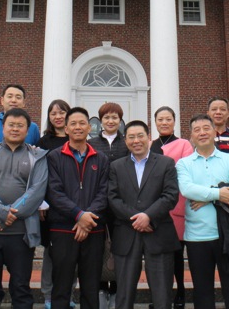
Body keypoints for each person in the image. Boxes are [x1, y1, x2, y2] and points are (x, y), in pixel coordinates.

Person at [0, 108, 48, 309]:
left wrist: (9, 215)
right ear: (3, 127)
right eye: (11, 125)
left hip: (22, 235)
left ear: (27, 129)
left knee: (21, 290)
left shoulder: (37, 156)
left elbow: (37, 191)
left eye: (20, 125)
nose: (15, 129)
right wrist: (1, 212)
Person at [176, 114, 229, 309]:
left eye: (206, 128)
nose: (202, 133)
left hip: (228, 235)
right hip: (197, 236)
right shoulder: (183, 164)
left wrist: (206, 198)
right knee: (202, 293)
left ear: (214, 132)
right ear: (191, 136)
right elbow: (187, 189)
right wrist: (218, 193)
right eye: (197, 130)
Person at [109, 120, 180, 309]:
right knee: (124, 296)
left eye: (140, 136)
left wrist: (148, 216)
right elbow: (113, 198)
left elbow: (171, 195)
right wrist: (137, 218)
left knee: (162, 295)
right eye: (131, 137)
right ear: (126, 141)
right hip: (126, 234)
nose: (136, 141)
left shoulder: (166, 163)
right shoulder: (116, 166)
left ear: (148, 138)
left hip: (158, 233)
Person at [46, 107, 110, 309]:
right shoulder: (54, 157)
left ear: (90, 127)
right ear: (66, 129)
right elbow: (54, 192)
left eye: (82, 123)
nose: (78, 127)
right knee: (61, 285)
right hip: (63, 229)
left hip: (93, 228)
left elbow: (104, 192)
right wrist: (78, 215)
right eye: (73, 124)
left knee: (91, 286)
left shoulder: (101, 158)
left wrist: (86, 219)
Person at [149, 106, 193, 309]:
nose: (164, 123)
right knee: (157, 255)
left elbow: (185, 171)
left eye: (168, 119)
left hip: (176, 204)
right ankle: (159, 296)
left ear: (174, 121)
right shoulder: (150, 144)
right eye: (160, 119)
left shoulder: (183, 144)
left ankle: (180, 291)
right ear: (155, 122)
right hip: (153, 206)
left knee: (176, 254)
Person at [88, 102, 128, 308]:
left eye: (115, 117)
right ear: (100, 120)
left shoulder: (127, 143)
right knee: (98, 249)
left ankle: (117, 290)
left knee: (120, 248)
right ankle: (102, 287)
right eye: (106, 117)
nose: (111, 121)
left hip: (122, 205)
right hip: (98, 204)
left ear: (120, 120)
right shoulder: (92, 143)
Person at [37, 99, 75, 309]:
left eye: (62, 112)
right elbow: (39, 174)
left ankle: (69, 293)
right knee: (51, 253)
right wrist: (41, 202)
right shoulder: (44, 142)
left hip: (74, 205)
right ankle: (48, 294)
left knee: (73, 253)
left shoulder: (76, 139)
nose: (58, 117)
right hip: (50, 206)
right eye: (54, 113)